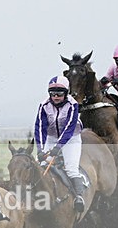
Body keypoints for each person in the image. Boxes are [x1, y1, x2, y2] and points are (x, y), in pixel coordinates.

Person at [35, 76, 86, 212]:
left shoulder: (72, 105)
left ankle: (78, 197)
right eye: (53, 94)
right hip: (51, 137)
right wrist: (40, 150)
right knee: (40, 166)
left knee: (71, 168)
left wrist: (58, 147)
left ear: (66, 93)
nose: (56, 97)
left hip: (71, 139)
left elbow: (69, 128)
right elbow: (40, 128)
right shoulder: (44, 106)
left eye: (59, 94)